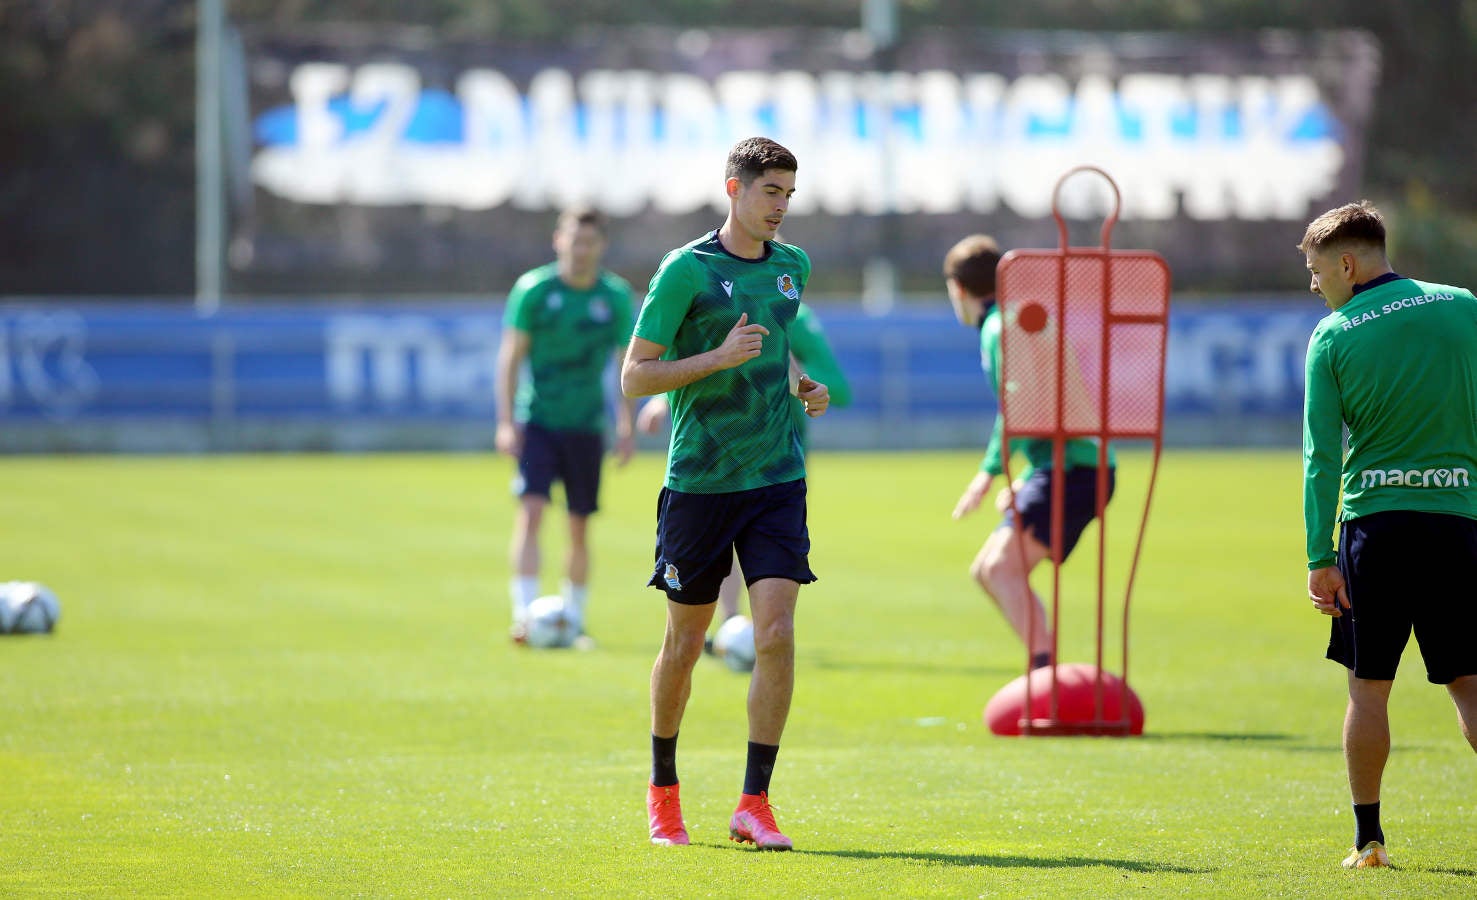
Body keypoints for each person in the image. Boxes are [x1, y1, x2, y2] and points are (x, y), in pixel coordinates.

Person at [621, 136, 830, 850]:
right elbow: (635, 376)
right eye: (770, 192)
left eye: (788, 196)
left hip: (776, 477)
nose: (780, 208)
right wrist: (713, 358)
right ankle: (663, 790)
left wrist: (801, 384)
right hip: (701, 483)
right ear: (734, 188)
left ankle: (754, 803)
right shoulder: (686, 271)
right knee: (684, 644)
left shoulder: (792, 267)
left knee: (774, 634)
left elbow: (774, 344)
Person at [1299, 200, 1477, 870]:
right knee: (1467, 680)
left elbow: (1319, 457)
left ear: (1346, 264)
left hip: (1376, 527)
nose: (1314, 286)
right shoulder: (1463, 305)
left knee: (1368, 685)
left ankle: (1367, 840)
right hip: (1457, 520)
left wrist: (1320, 556)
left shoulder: (1334, 335)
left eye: (1317, 272)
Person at [942, 233, 1115, 672]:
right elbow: (1041, 405)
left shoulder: (1002, 326)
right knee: (989, 570)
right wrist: (1023, 478)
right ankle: (1046, 673)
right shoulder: (1014, 319)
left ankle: (1046, 676)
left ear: (957, 289)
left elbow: (1020, 405)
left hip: (1076, 468)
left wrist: (989, 473)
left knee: (1000, 571)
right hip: (1063, 464)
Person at [635, 301, 852, 648]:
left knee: (756, 550)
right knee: (725, 543)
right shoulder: (714, 297)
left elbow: (837, 388)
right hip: (716, 453)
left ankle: (746, 624)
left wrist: (804, 387)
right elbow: (698, 359)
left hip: (778, 459)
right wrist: (664, 400)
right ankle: (732, 621)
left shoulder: (798, 316)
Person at [495, 206, 636, 646]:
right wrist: (505, 421)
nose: (581, 249)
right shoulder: (534, 290)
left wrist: (626, 423)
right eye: (574, 240)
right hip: (538, 419)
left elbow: (626, 364)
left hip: (587, 424)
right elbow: (511, 357)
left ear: (601, 246)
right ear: (559, 240)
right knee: (532, 511)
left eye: (589, 241)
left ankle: (572, 621)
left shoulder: (613, 297)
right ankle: (524, 616)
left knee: (579, 524)